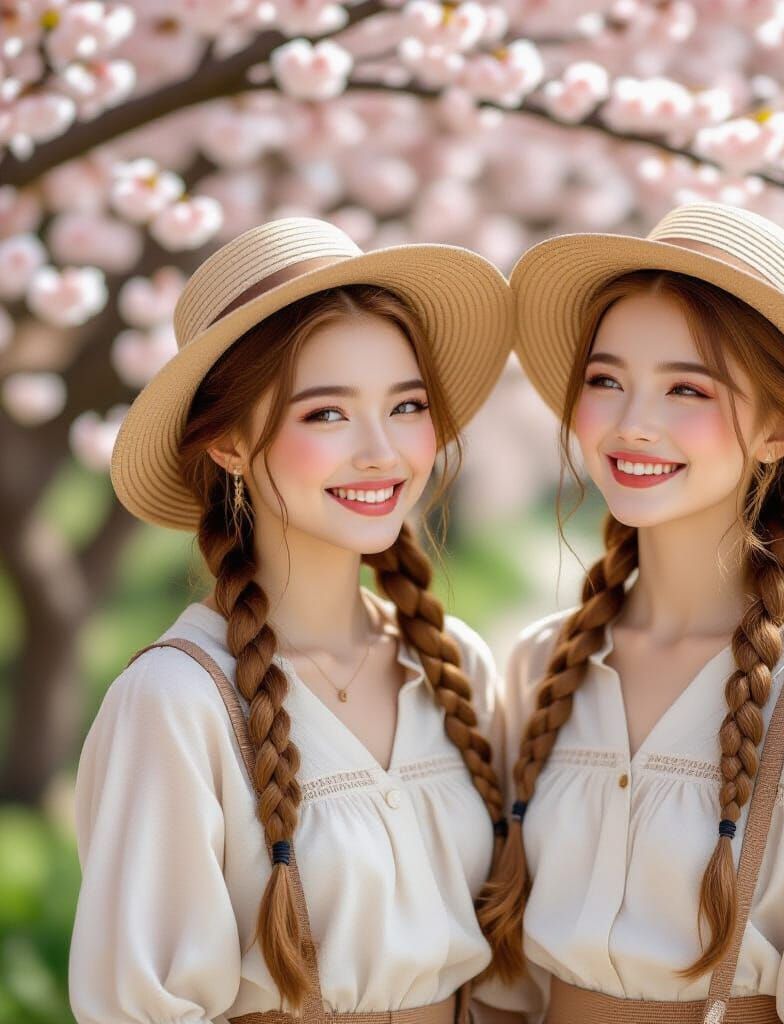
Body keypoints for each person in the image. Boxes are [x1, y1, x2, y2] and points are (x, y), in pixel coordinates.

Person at [478, 201, 784, 1023]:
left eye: (687, 388)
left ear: (776, 429)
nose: (632, 424)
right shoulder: (540, 666)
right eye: (606, 381)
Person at [69, 217, 520, 1024]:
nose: (382, 452)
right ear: (230, 445)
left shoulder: (455, 666)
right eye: (326, 414)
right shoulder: (178, 702)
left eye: (407, 406)